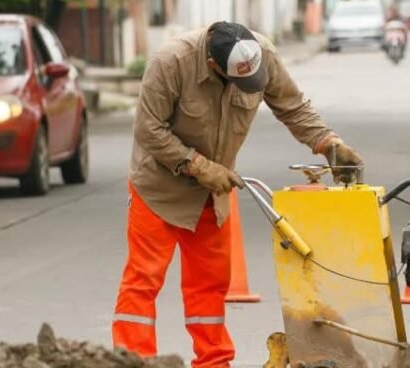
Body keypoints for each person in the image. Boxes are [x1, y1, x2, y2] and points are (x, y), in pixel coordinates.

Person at [111, 21, 363, 367]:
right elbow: (149, 130)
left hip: (211, 197)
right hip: (158, 192)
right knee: (144, 281)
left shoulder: (261, 55)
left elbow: (293, 106)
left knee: (210, 286)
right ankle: (132, 360)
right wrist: (199, 166)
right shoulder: (171, 63)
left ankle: (214, 363)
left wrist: (328, 144)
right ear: (215, 66)